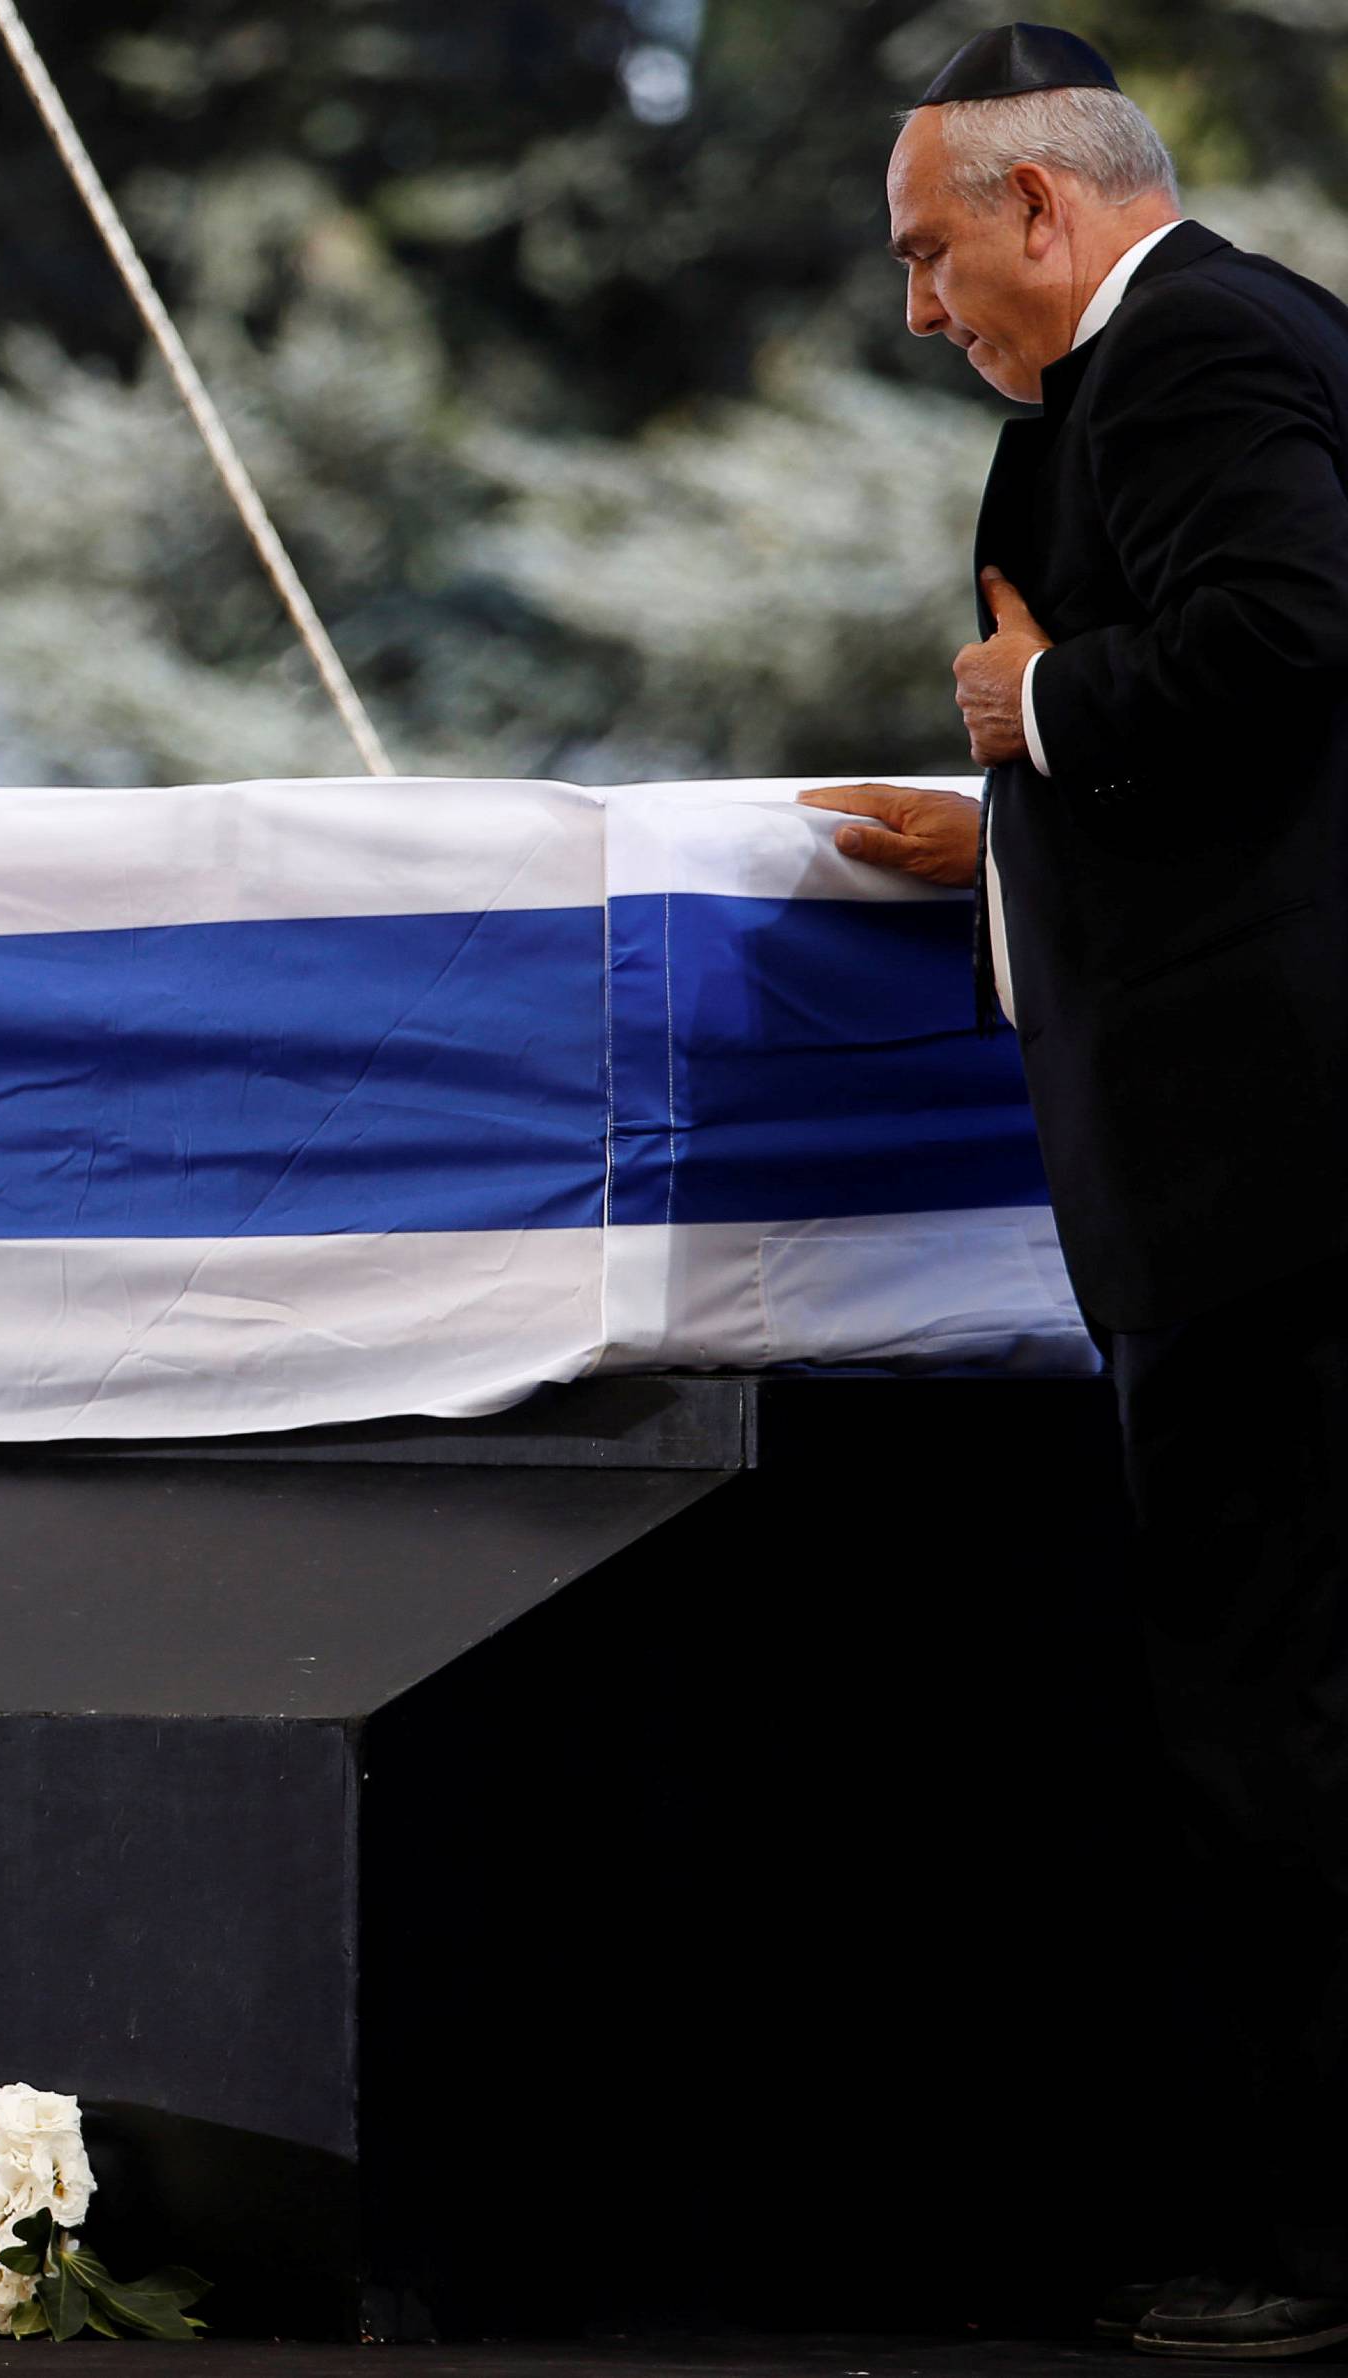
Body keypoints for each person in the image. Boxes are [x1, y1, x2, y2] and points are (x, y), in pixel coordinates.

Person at [797, 22, 1348, 2362]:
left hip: (1279, 1184)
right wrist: (1004, 819)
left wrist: (1032, 720)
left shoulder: (1199, 345)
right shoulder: (1224, 349)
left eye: (934, 255)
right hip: (1275, 1171)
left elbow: (1289, 638)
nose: (923, 311)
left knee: (1284, 1713)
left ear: (1045, 205)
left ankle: (1314, 2249)